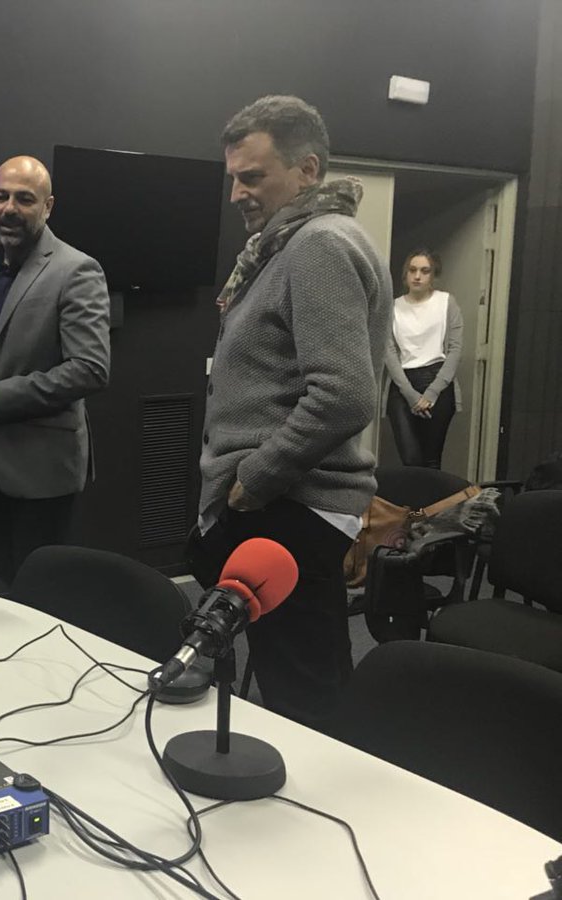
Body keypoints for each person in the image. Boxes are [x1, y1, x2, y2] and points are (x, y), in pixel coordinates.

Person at [191, 96, 393, 730]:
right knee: (303, 676)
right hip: (279, 507)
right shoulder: (285, 245)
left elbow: (343, 394)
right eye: (233, 178)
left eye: (252, 177)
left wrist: (255, 482)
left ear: (308, 170)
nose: (237, 194)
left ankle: (321, 820)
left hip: (290, 509)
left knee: (305, 698)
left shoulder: (318, 246)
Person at [0, 156, 111, 587]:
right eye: (1, 197)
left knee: (43, 588)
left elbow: (91, 369)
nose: (9, 208)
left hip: (43, 468)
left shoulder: (77, 270)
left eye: (24, 198)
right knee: (5, 578)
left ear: (48, 206)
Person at [384, 249, 463, 469]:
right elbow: (388, 353)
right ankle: (413, 504)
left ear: (433, 276)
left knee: (431, 461)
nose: (417, 276)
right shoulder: (393, 307)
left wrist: (432, 392)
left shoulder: (446, 302)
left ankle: (428, 505)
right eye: (412, 270)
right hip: (402, 384)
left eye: (424, 271)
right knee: (410, 460)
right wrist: (411, 395)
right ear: (405, 275)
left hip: (437, 380)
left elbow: (455, 350)